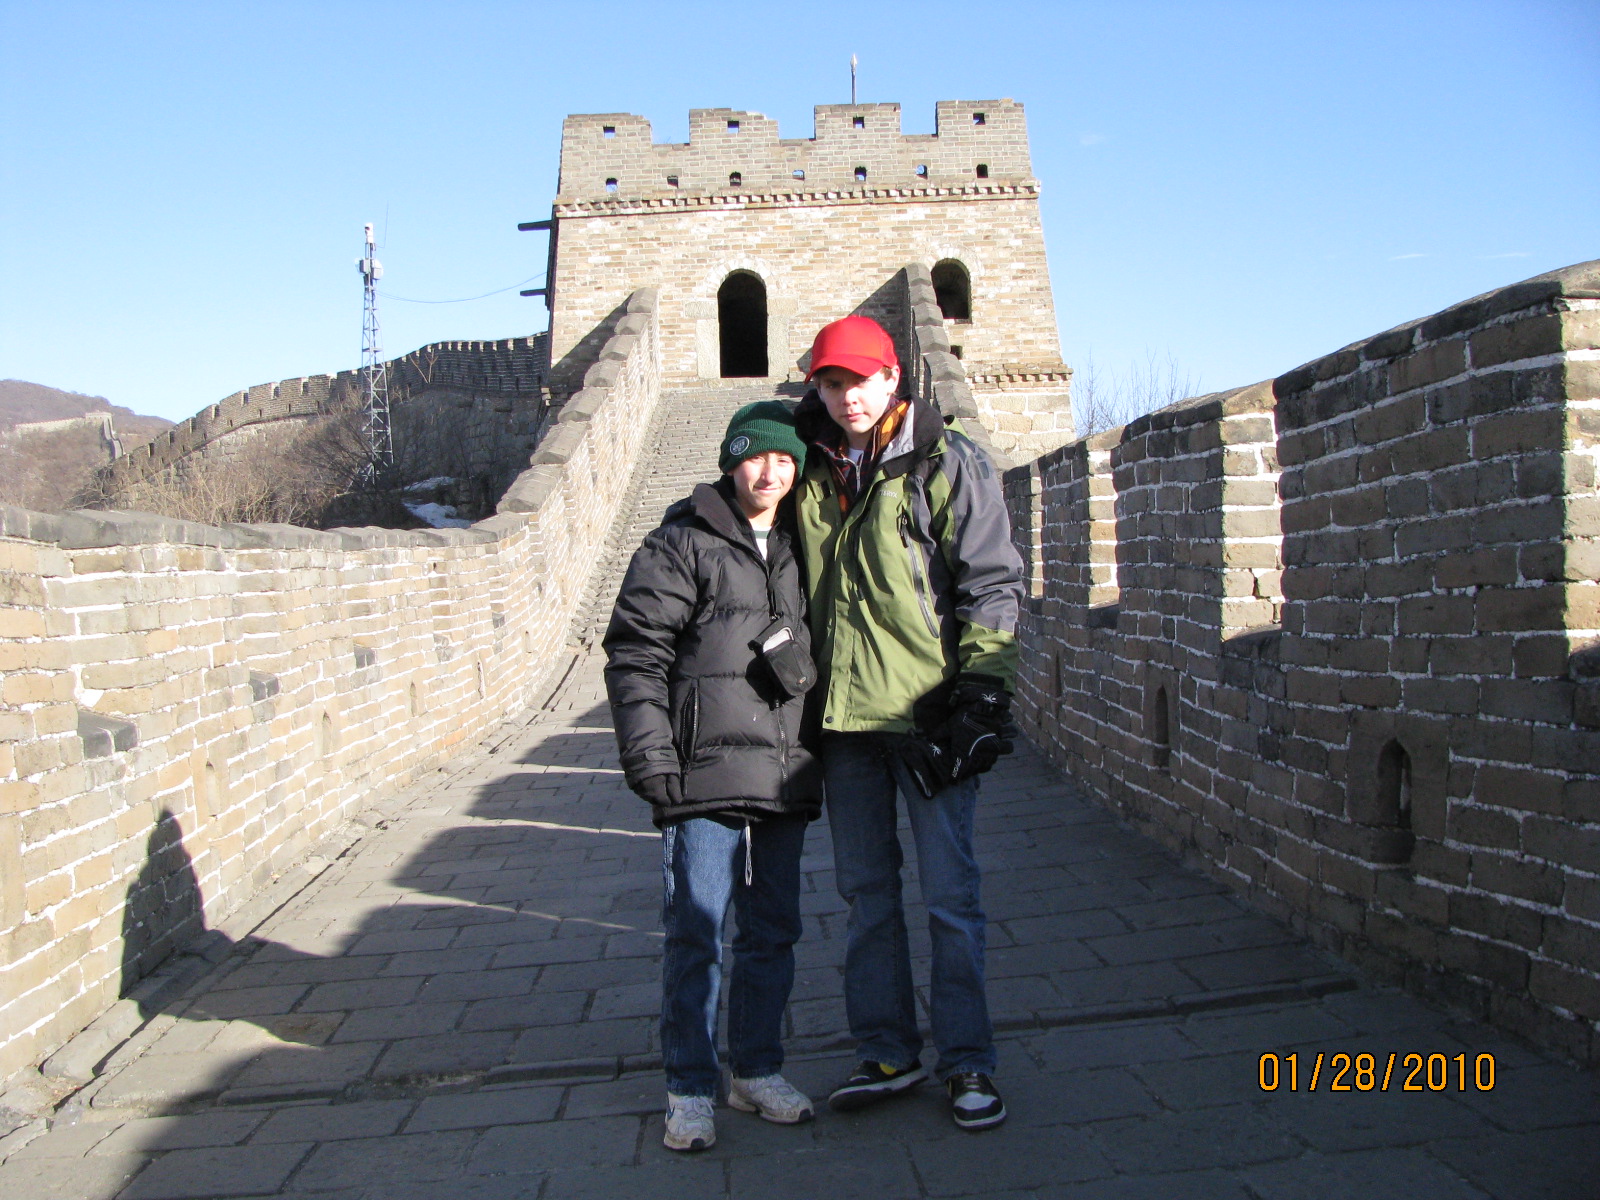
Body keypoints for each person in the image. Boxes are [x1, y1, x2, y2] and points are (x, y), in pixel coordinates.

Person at [791, 315, 1023, 1130]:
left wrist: (982, 694)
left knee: (951, 897)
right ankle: (887, 1050)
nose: (847, 395)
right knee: (867, 896)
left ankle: (968, 1062)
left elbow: (991, 582)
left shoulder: (946, 461)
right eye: (831, 381)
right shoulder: (805, 468)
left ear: (894, 378)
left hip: (928, 718)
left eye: (860, 379)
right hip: (846, 722)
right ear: (815, 387)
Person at [603, 401, 822, 1153]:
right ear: (732, 460)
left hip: (785, 779)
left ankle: (756, 1068)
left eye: (787, 460)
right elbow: (636, 655)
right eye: (758, 457)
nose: (772, 472)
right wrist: (651, 757)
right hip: (702, 777)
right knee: (696, 936)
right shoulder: (680, 543)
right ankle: (690, 1087)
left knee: (773, 934)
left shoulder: (803, 545)